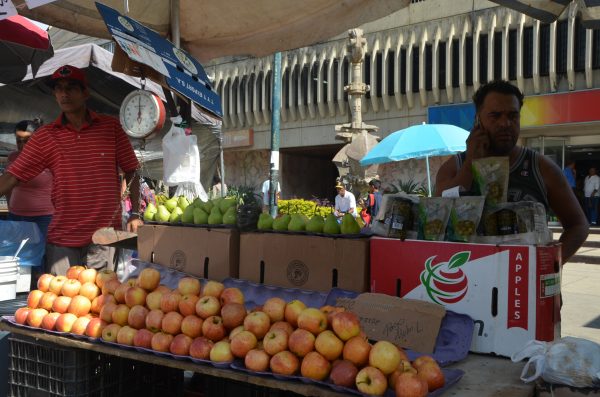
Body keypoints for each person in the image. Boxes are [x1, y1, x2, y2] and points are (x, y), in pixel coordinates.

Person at [0, 65, 143, 275]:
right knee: (60, 301)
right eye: (59, 88)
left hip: (104, 236)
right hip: (62, 238)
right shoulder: (45, 137)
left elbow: (132, 170)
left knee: (100, 302)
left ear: (85, 93)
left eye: (71, 88)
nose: (64, 94)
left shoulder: (110, 128)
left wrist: (136, 213)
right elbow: (12, 176)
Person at [435, 80, 588, 263]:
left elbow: (578, 225)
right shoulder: (455, 166)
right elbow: (435, 214)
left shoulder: (541, 168)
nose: (505, 123)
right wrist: (470, 164)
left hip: (524, 284)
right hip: (469, 282)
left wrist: (549, 264)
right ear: (478, 119)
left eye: (513, 116)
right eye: (495, 115)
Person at [6, 119, 54, 241]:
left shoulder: (49, 158)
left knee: (41, 253)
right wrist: (10, 207)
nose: (22, 146)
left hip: (43, 217)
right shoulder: (12, 157)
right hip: (16, 215)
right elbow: (8, 185)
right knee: (17, 254)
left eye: (27, 141)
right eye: (19, 141)